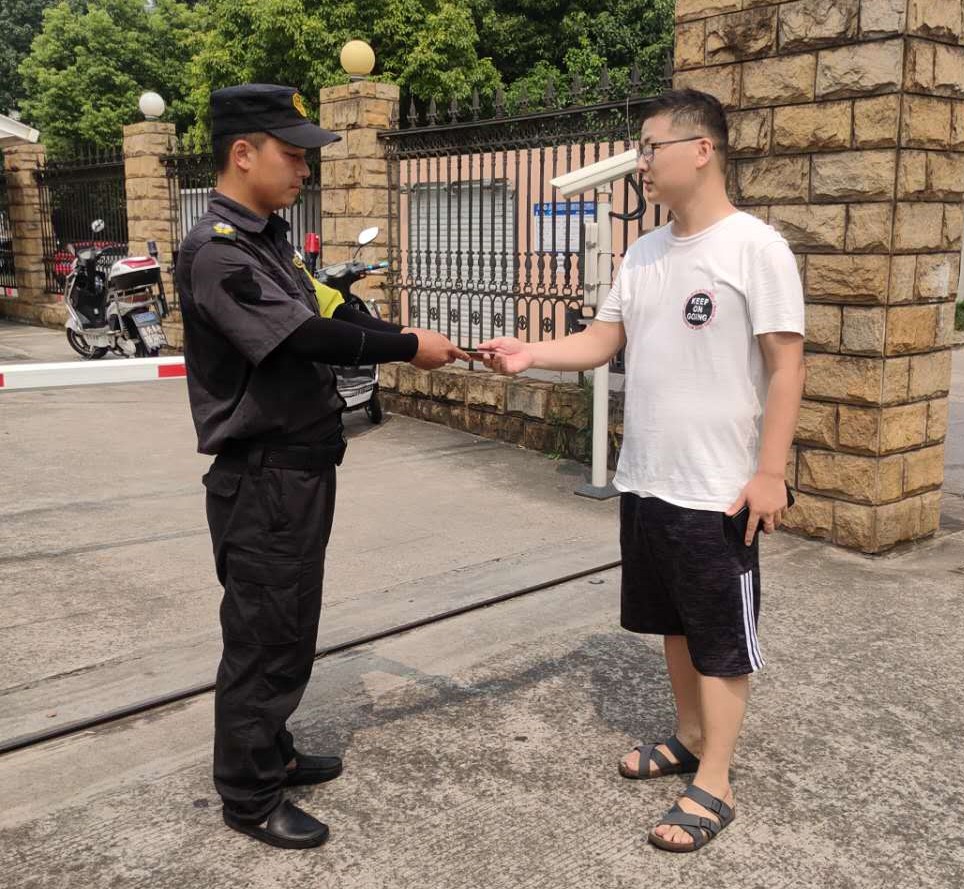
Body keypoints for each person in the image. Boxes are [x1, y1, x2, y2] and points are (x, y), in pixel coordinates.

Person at [479, 87, 805, 853]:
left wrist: (771, 471)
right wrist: (531, 352)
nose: (640, 163)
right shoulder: (646, 252)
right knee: (673, 623)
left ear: (703, 149)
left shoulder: (756, 248)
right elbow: (602, 339)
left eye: (650, 147)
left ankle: (716, 781)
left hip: (719, 490)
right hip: (648, 479)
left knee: (720, 638)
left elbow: (787, 365)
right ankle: (689, 736)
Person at [176, 83, 467, 850]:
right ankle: (248, 793)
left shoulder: (268, 240)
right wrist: (407, 347)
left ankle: (272, 747)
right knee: (263, 633)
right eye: (293, 154)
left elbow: (328, 309)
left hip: (299, 468)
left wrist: (397, 328)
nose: (305, 169)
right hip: (261, 473)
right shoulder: (217, 250)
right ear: (244, 153)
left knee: (290, 620)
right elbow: (302, 337)